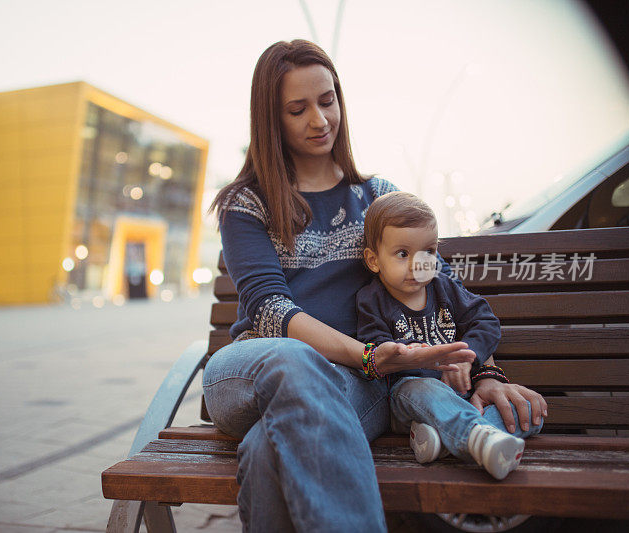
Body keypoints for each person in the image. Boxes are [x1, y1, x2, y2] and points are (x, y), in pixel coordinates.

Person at [204, 39, 548, 532]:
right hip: (254, 371)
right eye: (298, 109)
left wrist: (485, 373)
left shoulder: (376, 197)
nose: (320, 120)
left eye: (327, 101)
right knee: (295, 359)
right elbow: (267, 308)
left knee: (266, 449)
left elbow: (440, 290)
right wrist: (366, 357)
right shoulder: (247, 204)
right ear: (271, 119)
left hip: (354, 386)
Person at [356, 191, 542, 480]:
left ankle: (444, 442)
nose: (418, 264)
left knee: (529, 408)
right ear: (374, 259)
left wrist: (470, 359)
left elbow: (485, 321)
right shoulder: (372, 300)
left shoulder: (445, 288)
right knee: (424, 390)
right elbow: (379, 349)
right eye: (403, 254)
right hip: (411, 398)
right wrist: (413, 354)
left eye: (428, 252)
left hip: (464, 398)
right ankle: (477, 437)